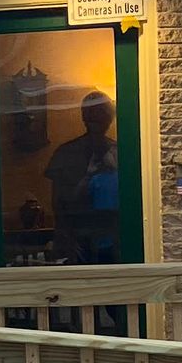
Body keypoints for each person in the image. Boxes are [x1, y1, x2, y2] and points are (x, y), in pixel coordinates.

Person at [43, 91, 120, 261]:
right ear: (83, 116)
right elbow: (58, 203)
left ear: (110, 117)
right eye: (91, 112)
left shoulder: (120, 153)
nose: (96, 117)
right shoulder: (65, 153)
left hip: (116, 238)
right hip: (76, 236)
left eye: (101, 112)